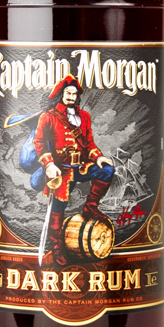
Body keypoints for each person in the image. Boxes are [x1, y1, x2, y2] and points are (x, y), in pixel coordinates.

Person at [34, 74, 114, 265]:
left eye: (74, 94)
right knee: (58, 210)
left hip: (81, 167)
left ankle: (91, 206)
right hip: (61, 171)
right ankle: (57, 248)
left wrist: (98, 157)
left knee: (107, 170)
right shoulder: (48, 117)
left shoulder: (84, 117)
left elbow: (89, 142)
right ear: (61, 95)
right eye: (68, 93)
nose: (71, 97)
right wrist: (49, 164)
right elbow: (39, 143)